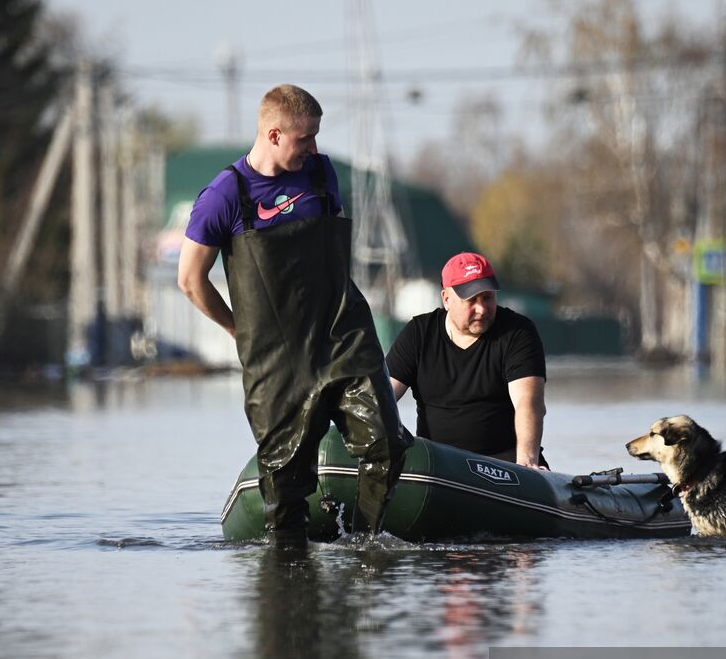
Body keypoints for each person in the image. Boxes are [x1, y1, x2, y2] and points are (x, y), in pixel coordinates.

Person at [177, 84, 411, 546]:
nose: (314, 148)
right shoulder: (226, 194)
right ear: (274, 134)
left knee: (386, 443)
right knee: (286, 483)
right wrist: (235, 327)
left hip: (343, 336)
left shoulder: (322, 175)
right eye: (305, 139)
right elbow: (190, 279)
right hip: (276, 357)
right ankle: (287, 571)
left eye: (316, 137)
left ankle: (364, 545)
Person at [386, 252, 548, 468]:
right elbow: (382, 398)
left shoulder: (518, 332)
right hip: (437, 464)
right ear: (446, 299)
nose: (481, 309)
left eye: (487, 298)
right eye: (471, 300)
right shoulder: (418, 334)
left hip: (504, 464)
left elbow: (528, 402)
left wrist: (527, 462)